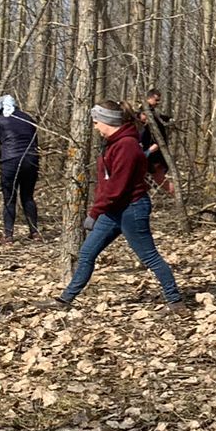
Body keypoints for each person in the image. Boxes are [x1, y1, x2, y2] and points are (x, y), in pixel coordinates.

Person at [54, 102, 186, 311]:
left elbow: (117, 186)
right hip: (114, 209)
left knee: (149, 256)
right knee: (87, 253)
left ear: (109, 121)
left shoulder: (127, 146)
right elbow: (108, 183)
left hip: (131, 209)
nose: (95, 127)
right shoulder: (113, 143)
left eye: (97, 122)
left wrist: (95, 212)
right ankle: (64, 301)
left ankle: (175, 301)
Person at [0, 94, 41, 241]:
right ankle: (34, 232)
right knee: (27, 196)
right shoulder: (27, 118)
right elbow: (35, 143)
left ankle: (8, 235)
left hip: (10, 161)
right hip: (31, 159)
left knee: (9, 198)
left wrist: (0, 157)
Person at [139, 89, 175, 195]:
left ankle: (178, 197)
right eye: (156, 100)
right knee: (149, 179)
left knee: (158, 179)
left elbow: (159, 118)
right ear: (149, 98)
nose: (158, 102)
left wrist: (168, 119)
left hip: (156, 152)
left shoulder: (153, 112)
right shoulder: (144, 111)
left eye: (159, 100)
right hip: (150, 151)